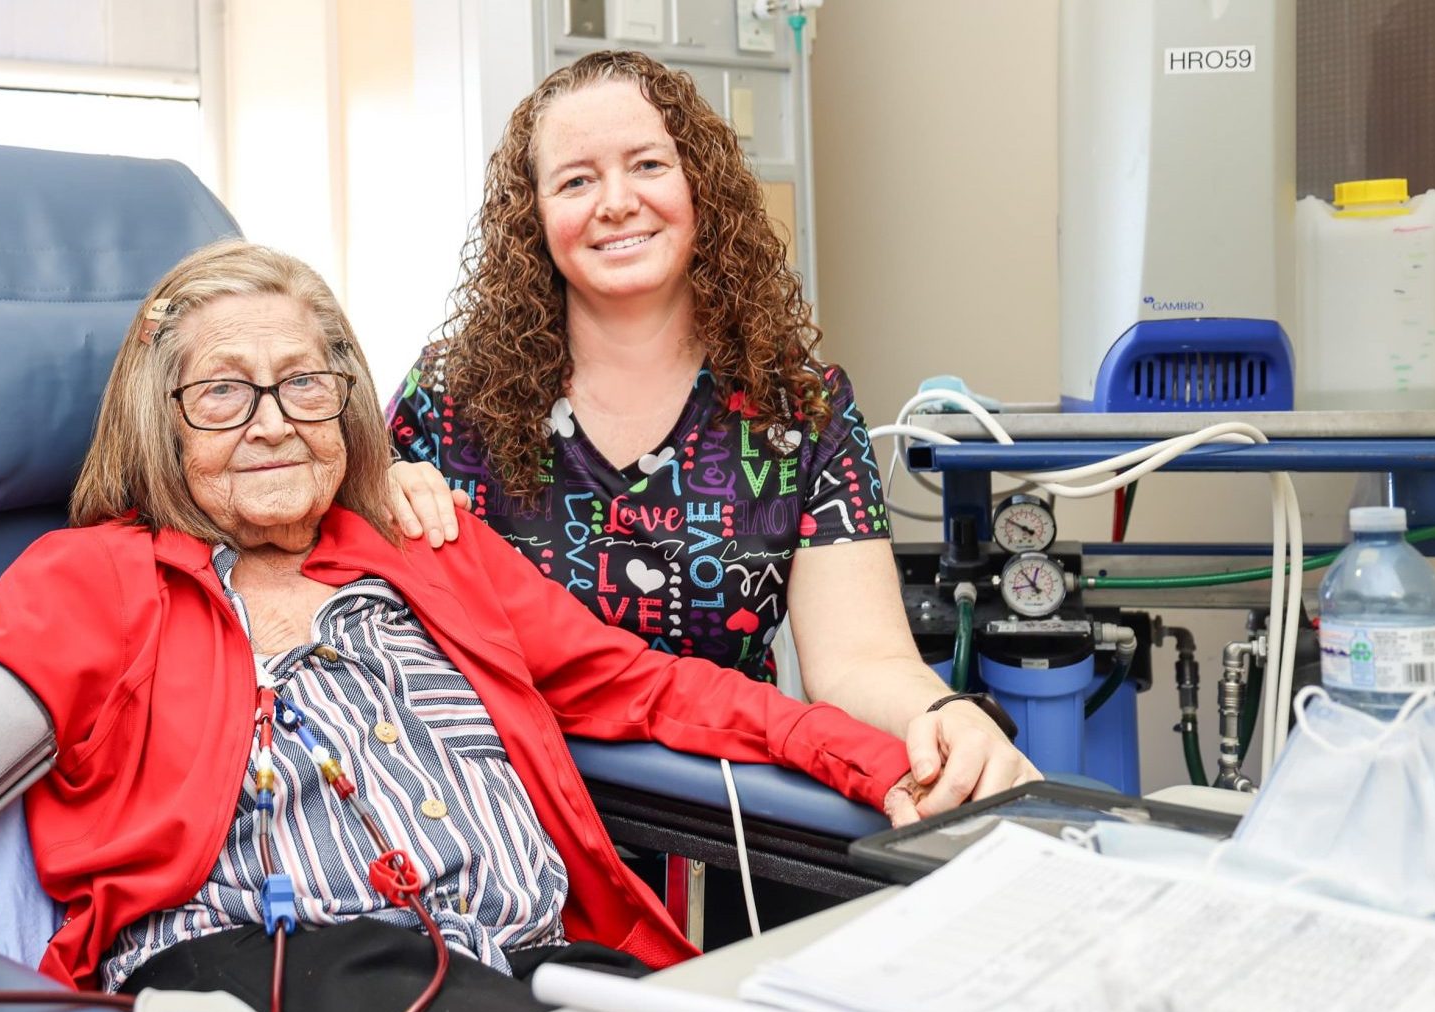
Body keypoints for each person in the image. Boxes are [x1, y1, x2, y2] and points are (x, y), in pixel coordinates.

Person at [0, 240, 927, 1012]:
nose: (272, 420)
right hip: (260, 967)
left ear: (347, 405)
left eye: (303, 384)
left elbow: (653, 690)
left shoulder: (429, 548)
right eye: (221, 393)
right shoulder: (94, 580)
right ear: (157, 422)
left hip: (536, 957)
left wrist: (887, 756)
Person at [385, 50, 1038, 805]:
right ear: (533, 216)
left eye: (648, 165)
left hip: (730, 821)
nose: (616, 201)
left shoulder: (800, 410)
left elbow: (859, 659)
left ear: (702, 187)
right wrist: (382, 488)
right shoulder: (449, 397)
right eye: (575, 180)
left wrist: (943, 716)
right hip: (505, 823)